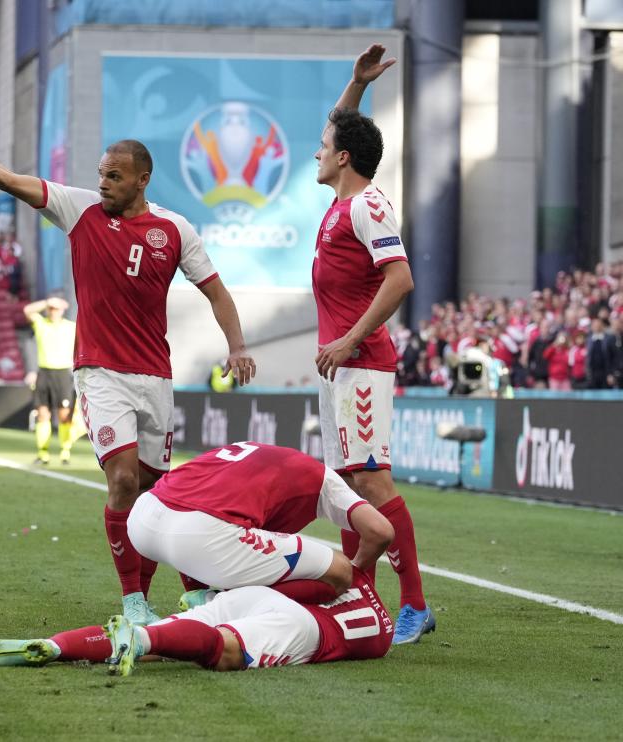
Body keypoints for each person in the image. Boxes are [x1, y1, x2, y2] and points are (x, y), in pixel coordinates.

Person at [0, 129, 256, 626]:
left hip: (156, 375)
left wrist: (236, 346)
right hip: (100, 371)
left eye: (115, 176)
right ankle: (133, 601)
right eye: (101, 174)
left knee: (153, 492)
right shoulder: (78, 209)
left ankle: (160, 595)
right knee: (124, 480)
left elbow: (216, 291)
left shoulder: (174, 230)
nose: (103, 183)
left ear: (142, 180)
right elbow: (6, 180)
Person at [311, 45, 433, 644]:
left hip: (360, 364)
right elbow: (337, 130)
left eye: (324, 147)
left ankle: (413, 604)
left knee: (372, 482)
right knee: (346, 486)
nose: (316, 149)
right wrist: (355, 86)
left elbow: (401, 278)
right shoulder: (341, 202)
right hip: (340, 367)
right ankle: (362, 599)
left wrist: (349, 339)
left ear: (344, 159)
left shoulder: (369, 206)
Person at [0, 565, 392, 675]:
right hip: (306, 630)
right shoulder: (381, 631)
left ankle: (56, 646)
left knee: (165, 634)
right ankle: (140, 642)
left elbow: (296, 583)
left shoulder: (343, 573)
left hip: (257, 597)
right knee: (222, 650)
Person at [127, 442, 393, 608]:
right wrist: (353, 575)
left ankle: (200, 602)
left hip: (143, 517)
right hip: (201, 535)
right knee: (338, 569)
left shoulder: (258, 452)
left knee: (242, 544)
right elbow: (381, 531)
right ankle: (217, 604)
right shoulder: (327, 481)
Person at [23, 296, 77, 465]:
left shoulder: (71, 327)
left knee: (64, 415)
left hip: (63, 373)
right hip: (44, 372)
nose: (53, 311)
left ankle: (65, 451)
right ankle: (42, 453)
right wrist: (47, 301)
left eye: (56, 308)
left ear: (62, 310)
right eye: (51, 308)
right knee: (43, 414)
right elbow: (27, 310)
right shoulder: (41, 323)